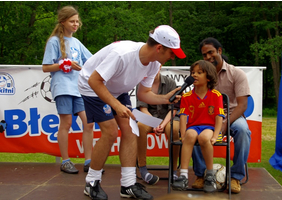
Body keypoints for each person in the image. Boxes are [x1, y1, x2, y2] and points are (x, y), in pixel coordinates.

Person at [77, 25, 186, 200]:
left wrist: (166, 98)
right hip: (92, 87)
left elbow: (144, 94)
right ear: (159, 48)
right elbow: (94, 80)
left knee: (131, 129)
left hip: (117, 90)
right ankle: (91, 182)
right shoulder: (122, 55)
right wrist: (116, 106)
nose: (173, 57)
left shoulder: (153, 63)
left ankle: (127, 185)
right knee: (111, 131)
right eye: (172, 53)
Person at [191, 37, 251, 194]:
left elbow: (242, 105)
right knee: (192, 130)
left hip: (232, 115)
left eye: (211, 52)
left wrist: (224, 123)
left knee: (243, 131)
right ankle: (201, 175)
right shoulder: (201, 75)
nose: (208, 57)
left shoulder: (236, 73)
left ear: (219, 51)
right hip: (208, 117)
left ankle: (236, 177)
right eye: (204, 55)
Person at [42, 6, 94, 174]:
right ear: (63, 22)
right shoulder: (54, 41)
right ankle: (65, 161)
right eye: (72, 21)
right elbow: (45, 67)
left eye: (77, 21)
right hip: (63, 87)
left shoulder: (77, 43)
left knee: (88, 122)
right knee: (66, 123)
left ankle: (89, 161)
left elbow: (92, 60)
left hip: (78, 88)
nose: (75, 24)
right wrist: (64, 64)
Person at [171, 60, 225, 193]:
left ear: (208, 77)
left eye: (199, 73)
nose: (194, 75)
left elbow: (219, 117)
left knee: (204, 137)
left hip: (209, 127)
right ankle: (183, 175)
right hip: (193, 126)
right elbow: (183, 117)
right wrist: (183, 135)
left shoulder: (216, 95)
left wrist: (216, 134)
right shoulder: (187, 96)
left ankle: (210, 175)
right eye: (193, 72)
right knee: (189, 135)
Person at [136, 66, 180, 185]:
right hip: (150, 117)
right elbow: (143, 108)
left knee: (174, 129)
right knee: (140, 126)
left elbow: (173, 109)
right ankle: (143, 169)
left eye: (154, 67)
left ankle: (174, 170)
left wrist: (162, 124)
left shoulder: (170, 82)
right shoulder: (141, 84)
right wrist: (154, 123)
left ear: (160, 67)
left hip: (168, 118)